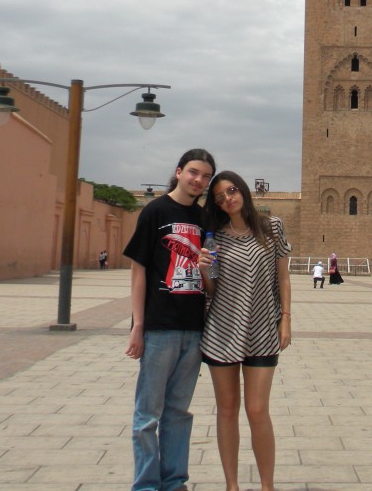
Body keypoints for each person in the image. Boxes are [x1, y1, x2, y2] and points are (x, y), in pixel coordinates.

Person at [123, 148, 216, 491]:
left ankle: (175, 482)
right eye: (193, 172)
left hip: (193, 329)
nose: (198, 180)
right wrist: (138, 326)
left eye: (205, 176)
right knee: (148, 414)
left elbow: (210, 283)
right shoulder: (155, 211)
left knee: (178, 413)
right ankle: (147, 485)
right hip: (159, 328)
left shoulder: (205, 219)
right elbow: (138, 271)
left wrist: (206, 271)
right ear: (179, 172)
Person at [200, 171, 291, 491]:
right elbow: (213, 290)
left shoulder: (271, 227)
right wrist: (205, 271)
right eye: (220, 197)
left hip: (263, 329)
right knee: (227, 410)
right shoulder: (215, 238)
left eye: (232, 191)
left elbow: (283, 277)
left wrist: (286, 318)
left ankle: (267, 486)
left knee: (257, 410)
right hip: (222, 331)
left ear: (243, 191)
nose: (228, 199)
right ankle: (232, 486)